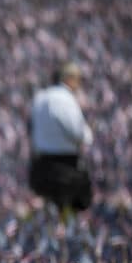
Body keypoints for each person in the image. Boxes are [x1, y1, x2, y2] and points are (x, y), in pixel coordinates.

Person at [29, 61, 94, 213]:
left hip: (40, 166)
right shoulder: (65, 99)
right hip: (65, 167)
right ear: (69, 79)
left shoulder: (40, 97)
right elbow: (77, 133)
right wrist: (88, 132)